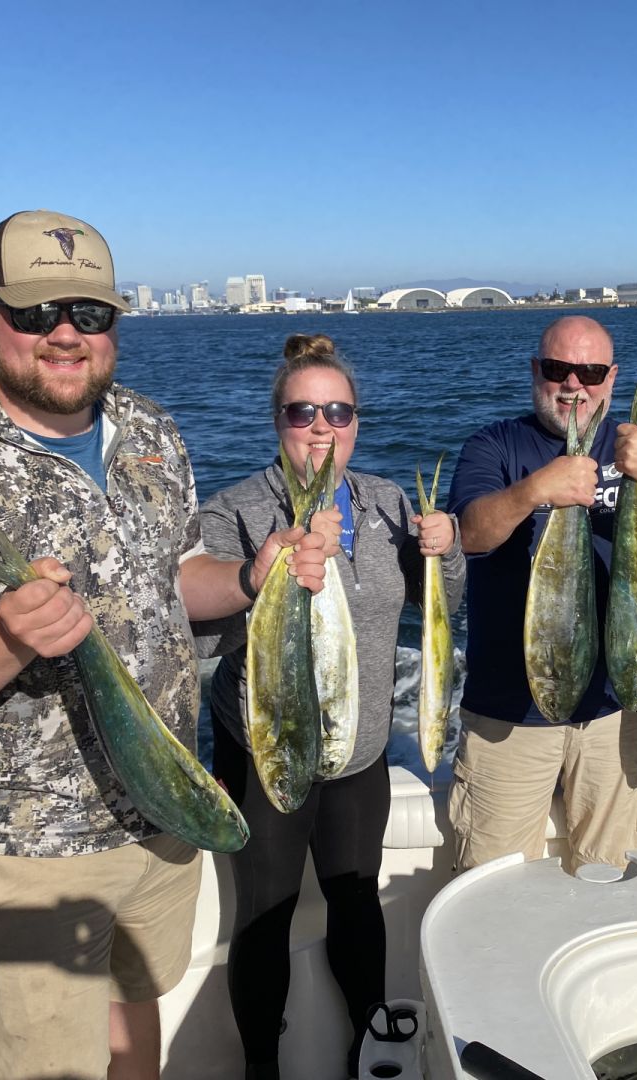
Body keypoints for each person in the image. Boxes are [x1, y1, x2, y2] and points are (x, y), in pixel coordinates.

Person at [0, 210, 320, 1080]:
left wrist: (252, 580)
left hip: (167, 808)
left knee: (138, 1021)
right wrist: (5, 637)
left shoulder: (149, 429)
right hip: (29, 849)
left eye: (89, 313)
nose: (65, 334)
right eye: (35, 312)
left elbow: (177, 576)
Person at [195, 333, 464, 1080]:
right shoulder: (235, 511)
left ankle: (368, 1046)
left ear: (356, 423)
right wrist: (264, 575)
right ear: (276, 420)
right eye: (302, 412)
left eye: (338, 413)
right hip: (270, 752)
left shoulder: (387, 501)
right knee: (265, 915)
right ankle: (262, 1067)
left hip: (359, 750)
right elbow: (202, 630)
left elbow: (444, 602)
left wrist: (447, 548)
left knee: (356, 900)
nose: (321, 428)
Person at [445, 315, 637, 875]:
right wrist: (536, 489)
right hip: (507, 718)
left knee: (612, 878)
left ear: (612, 377)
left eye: (590, 372)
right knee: (494, 889)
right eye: (558, 369)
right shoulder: (493, 444)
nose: (574, 385)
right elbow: (470, 534)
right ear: (536, 370)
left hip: (615, 712)